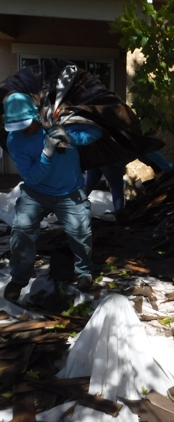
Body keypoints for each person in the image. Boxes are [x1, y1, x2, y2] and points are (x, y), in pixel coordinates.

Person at [2, 93, 103, 301]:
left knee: (80, 232)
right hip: (36, 192)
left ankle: (83, 271)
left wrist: (69, 136)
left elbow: (95, 132)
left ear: (34, 116)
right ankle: (19, 278)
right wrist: (47, 151)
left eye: (25, 123)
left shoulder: (57, 122)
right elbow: (32, 177)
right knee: (22, 229)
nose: (22, 129)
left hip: (70, 191)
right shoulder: (14, 140)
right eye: (17, 125)